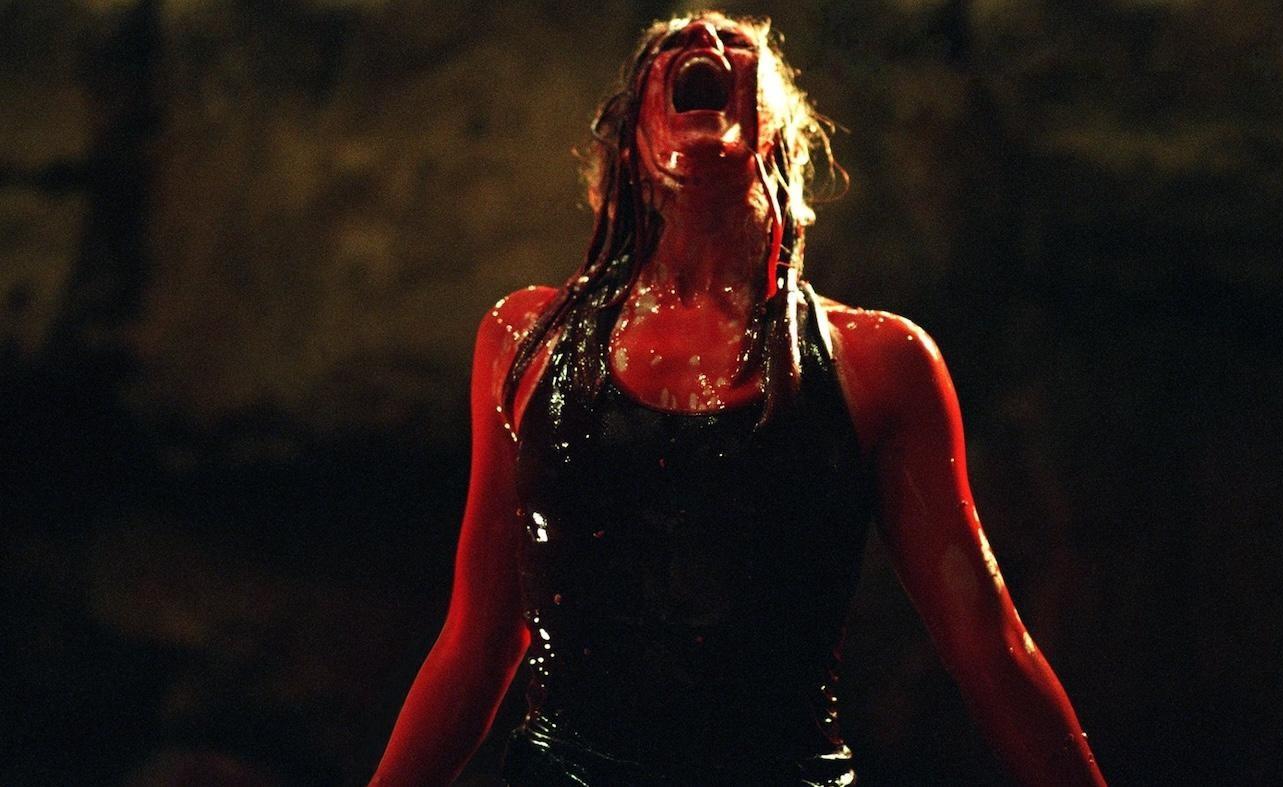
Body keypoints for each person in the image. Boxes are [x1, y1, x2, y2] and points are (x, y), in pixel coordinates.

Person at [372, 12, 1105, 786]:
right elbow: (478, 641)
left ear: (779, 133)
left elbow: (990, 645)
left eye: (739, 47)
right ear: (631, 138)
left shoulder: (881, 363)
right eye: (668, 47)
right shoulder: (526, 340)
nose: (702, 34)